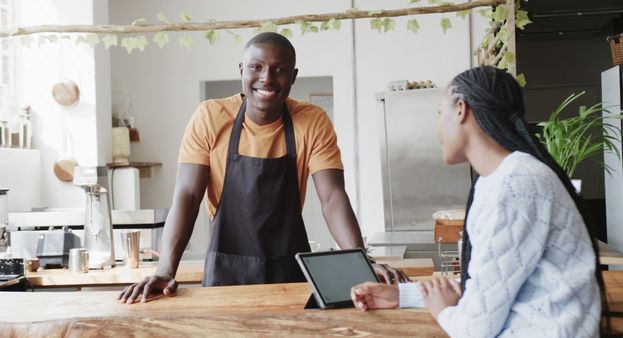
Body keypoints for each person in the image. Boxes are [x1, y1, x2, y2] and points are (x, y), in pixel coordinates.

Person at [118, 32, 407, 304]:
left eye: (279, 69)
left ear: (293, 76)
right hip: (225, 273)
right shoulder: (210, 117)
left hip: (290, 272)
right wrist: (165, 270)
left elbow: (332, 198)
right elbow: (187, 196)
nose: (266, 78)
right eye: (256, 67)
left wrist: (361, 262)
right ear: (242, 70)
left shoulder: (312, 121)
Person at [350, 66, 605, 337]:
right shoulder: (499, 179)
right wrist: (401, 295)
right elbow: (487, 286)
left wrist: (443, 311)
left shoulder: (516, 183)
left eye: (439, 113)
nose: (437, 127)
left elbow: (476, 328)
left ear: (461, 109)